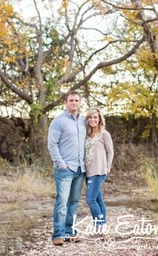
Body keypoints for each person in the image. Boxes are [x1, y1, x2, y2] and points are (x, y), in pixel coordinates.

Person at [48, 91, 86, 245]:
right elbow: (52, 144)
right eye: (71, 100)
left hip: (80, 169)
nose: (74, 103)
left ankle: (70, 233)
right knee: (62, 202)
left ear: (80, 102)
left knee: (74, 202)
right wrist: (60, 163)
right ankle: (58, 235)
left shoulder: (84, 121)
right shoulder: (58, 121)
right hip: (65, 169)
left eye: (76, 100)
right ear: (66, 102)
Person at [84, 108, 113, 233]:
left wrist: (107, 168)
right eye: (90, 117)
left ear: (99, 119)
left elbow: (110, 152)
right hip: (88, 172)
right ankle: (103, 225)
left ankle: (98, 225)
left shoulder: (104, 134)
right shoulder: (86, 135)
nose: (93, 120)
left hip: (99, 171)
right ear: (87, 119)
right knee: (98, 200)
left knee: (90, 200)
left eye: (95, 117)